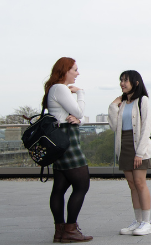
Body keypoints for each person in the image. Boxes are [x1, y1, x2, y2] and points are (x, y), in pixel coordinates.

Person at [43, 57, 93, 243]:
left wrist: (78, 119)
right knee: (82, 185)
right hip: (67, 142)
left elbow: (73, 116)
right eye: (75, 70)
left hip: (60, 140)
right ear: (65, 70)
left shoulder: (54, 89)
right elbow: (79, 112)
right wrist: (81, 93)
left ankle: (60, 231)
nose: (77, 73)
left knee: (60, 187)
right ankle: (70, 229)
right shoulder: (61, 88)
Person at [108, 70, 151, 236]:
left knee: (140, 183)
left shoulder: (143, 101)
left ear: (135, 82)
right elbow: (114, 126)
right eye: (121, 80)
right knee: (132, 185)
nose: (122, 83)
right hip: (124, 145)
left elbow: (146, 128)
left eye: (126, 80)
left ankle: (147, 222)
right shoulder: (123, 104)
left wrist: (140, 153)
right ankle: (138, 221)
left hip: (139, 146)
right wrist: (113, 106)